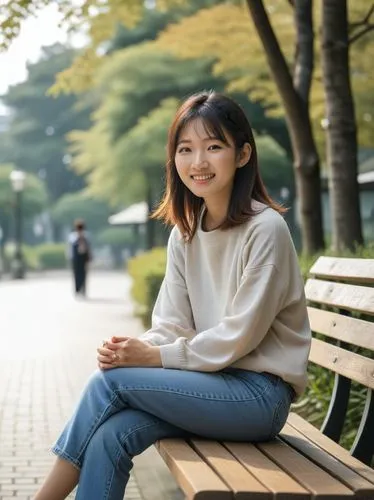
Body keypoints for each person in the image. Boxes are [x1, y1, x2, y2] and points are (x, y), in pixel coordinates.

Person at [34, 91, 311, 500]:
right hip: (209, 385)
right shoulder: (186, 232)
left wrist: (154, 357)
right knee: (112, 434)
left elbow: (240, 336)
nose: (198, 162)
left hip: (258, 397)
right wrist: (133, 348)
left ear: (242, 155)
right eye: (186, 149)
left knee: (107, 386)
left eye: (213, 147)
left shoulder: (265, 230)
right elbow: (171, 323)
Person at [67, 219, 92, 297]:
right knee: (77, 274)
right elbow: (71, 247)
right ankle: (78, 289)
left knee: (83, 274)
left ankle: (82, 290)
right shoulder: (73, 236)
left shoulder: (86, 236)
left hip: (83, 258)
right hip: (76, 258)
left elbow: (88, 247)